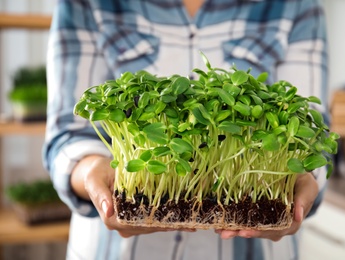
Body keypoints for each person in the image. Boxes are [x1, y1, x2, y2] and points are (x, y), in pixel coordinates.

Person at [43, 0, 328, 259]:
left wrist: (304, 180)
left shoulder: (298, 6)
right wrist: (92, 170)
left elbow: (311, 134)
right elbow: (67, 134)